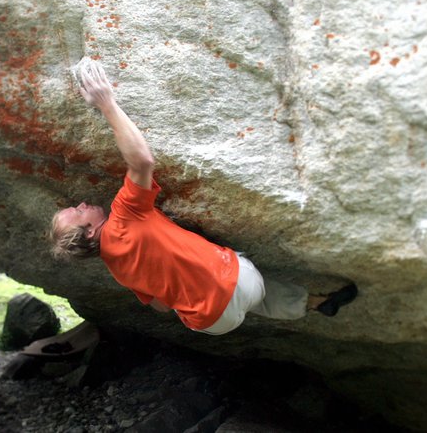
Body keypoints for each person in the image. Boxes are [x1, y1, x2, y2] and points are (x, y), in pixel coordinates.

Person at [47, 60, 357, 335]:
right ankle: (301, 301)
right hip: (237, 282)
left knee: (236, 298)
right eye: (77, 210)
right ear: (88, 230)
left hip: (214, 323)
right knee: (240, 281)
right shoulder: (123, 218)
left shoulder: (118, 270)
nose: (82, 203)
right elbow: (142, 162)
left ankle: (312, 304)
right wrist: (106, 103)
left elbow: (160, 307)